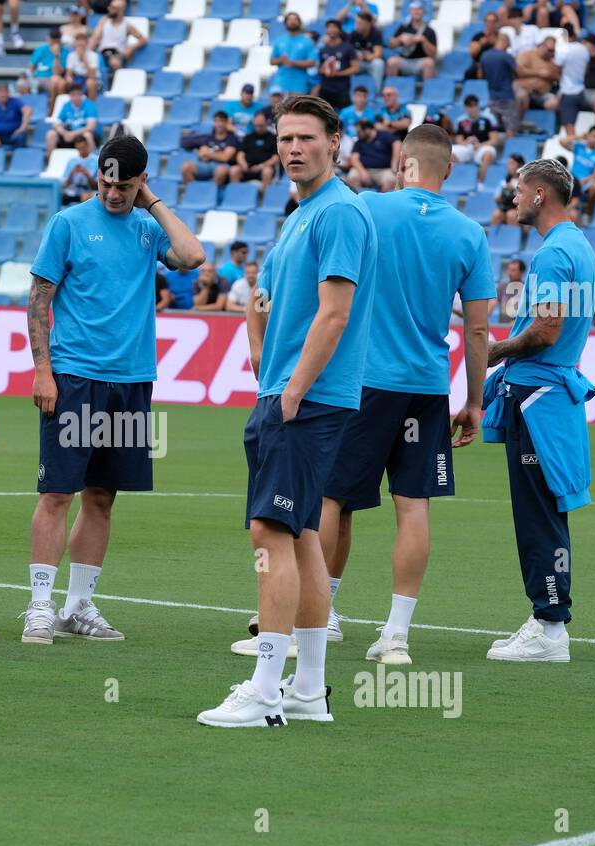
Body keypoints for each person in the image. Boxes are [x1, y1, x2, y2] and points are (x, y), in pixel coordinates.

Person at [199, 95, 377, 726]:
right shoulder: (300, 216)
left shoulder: (340, 215)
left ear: (336, 142)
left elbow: (336, 312)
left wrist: (294, 388)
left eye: (306, 137)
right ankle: (306, 690)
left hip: (308, 400)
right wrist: (264, 362)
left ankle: (265, 690)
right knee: (299, 533)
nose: (293, 148)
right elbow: (264, 302)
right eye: (285, 139)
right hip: (284, 393)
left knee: (269, 533)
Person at [310, 122, 494, 667]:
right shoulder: (469, 233)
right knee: (413, 507)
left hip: (363, 381)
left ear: (402, 159)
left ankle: (317, 617)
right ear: (450, 170)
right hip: (427, 387)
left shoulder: (367, 208)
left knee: (330, 500)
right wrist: (475, 401)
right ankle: (395, 635)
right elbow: (479, 331)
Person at [22, 135, 204, 645]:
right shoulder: (69, 223)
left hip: (132, 381)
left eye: (123, 185)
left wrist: (152, 202)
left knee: (102, 496)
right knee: (57, 492)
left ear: (141, 182)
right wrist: (43, 370)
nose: (112, 193)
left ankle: (79, 605)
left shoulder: (148, 229)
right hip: (76, 376)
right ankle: (39, 605)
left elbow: (192, 256)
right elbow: (39, 299)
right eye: (105, 182)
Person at [482, 157, 595, 663]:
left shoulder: (554, 255)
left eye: (518, 189)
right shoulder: (579, 246)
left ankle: (550, 627)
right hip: (549, 395)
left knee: (537, 516)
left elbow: (546, 331)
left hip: (537, 398)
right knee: (544, 513)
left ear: (539, 195)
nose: (512, 198)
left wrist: (493, 351)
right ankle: (546, 618)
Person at [180, 110, 240, 186]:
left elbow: (225, 157)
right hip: (205, 165)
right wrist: (202, 152)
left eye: (221, 121)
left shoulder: (232, 139)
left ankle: (210, 194)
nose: (219, 124)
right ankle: (194, 192)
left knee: (221, 171)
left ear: (226, 123)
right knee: (185, 167)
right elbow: (186, 143)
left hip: (222, 165)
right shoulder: (208, 137)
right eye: (216, 121)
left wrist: (208, 153)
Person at [552, 24, 589, 137]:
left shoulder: (564, 50)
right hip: (581, 91)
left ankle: (575, 147)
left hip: (568, 92)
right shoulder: (584, 49)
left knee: (569, 129)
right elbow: (587, 70)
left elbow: (555, 69)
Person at [453, 94, 500, 182]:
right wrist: (467, 142)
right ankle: (462, 179)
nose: (474, 108)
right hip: (467, 147)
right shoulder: (460, 120)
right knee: (449, 153)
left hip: (482, 147)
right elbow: (458, 139)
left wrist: (480, 145)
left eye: (475, 105)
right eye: (470, 106)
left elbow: (494, 140)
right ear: (466, 108)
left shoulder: (488, 118)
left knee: (488, 154)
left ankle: (480, 182)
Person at [229, 109, 279, 190]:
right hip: (247, 168)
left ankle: (264, 199)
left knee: (267, 171)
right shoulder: (248, 137)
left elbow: (276, 158)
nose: (258, 128)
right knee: (234, 170)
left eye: (261, 125)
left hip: (263, 168)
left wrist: (261, 166)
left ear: (266, 123)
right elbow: (240, 154)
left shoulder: (273, 138)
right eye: (256, 126)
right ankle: (236, 198)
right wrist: (243, 164)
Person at [386, 1, 436, 80]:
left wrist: (423, 41)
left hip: (420, 62)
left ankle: (427, 90)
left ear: (424, 12)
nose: (416, 11)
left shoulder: (429, 31)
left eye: (419, 9)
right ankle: (391, 88)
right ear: (410, 11)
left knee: (429, 63)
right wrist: (400, 38)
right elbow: (391, 45)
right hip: (404, 60)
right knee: (392, 62)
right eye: (414, 9)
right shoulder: (403, 28)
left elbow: (433, 54)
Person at [89, 0, 144, 73]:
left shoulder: (127, 25)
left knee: (115, 62)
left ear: (120, 10)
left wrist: (131, 47)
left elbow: (143, 39)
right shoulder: (104, 21)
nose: (109, 9)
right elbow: (94, 38)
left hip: (117, 54)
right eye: (110, 7)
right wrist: (88, 52)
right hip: (102, 53)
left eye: (113, 7)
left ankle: (121, 80)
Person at [481, 32, 519, 133]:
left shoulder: (485, 55)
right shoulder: (506, 56)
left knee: (493, 129)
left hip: (492, 96)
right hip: (506, 96)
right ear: (504, 42)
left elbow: (480, 74)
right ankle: (511, 147)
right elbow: (518, 72)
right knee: (510, 127)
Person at [564, 125, 595, 220]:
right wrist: (578, 137)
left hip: (586, 182)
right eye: (594, 136)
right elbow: (562, 141)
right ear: (588, 135)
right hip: (571, 179)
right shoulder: (579, 147)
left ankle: (587, 213)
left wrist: (584, 180)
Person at [270, 12, 317, 95]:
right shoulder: (279, 40)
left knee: (297, 107)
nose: (292, 21)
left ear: (299, 22)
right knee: (280, 107)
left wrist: (293, 63)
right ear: (285, 23)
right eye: (289, 19)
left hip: (299, 84)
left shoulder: (307, 41)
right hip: (281, 83)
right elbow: (272, 61)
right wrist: (281, 60)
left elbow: (312, 62)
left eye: (295, 19)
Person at [346, 118, 398, 192]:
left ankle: (381, 202)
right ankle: (357, 202)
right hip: (364, 169)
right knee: (352, 178)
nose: (357, 134)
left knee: (391, 181)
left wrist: (394, 163)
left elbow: (397, 143)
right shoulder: (359, 141)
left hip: (384, 170)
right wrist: (362, 172)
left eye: (359, 131)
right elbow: (354, 159)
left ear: (367, 129)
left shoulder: (383, 135)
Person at [316, 17, 358, 108]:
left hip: (342, 88)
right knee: (325, 117)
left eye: (334, 27)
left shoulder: (348, 48)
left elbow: (355, 68)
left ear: (339, 30)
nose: (331, 29)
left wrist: (338, 73)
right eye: (329, 27)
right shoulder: (323, 49)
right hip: (325, 89)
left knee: (342, 118)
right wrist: (324, 70)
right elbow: (318, 68)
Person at [46, 83, 98, 154]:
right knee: (51, 134)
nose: (76, 97)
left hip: (81, 134)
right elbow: (55, 124)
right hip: (68, 135)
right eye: (73, 95)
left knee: (88, 135)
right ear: (70, 96)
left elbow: (91, 127)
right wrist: (64, 133)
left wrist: (73, 134)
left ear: (82, 94)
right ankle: (50, 160)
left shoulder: (89, 105)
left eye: (78, 94)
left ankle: (92, 160)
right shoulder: (66, 105)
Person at [515, 35, 559, 117]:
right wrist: (538, 73)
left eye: (553, 51)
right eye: (549, 50)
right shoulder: (527, 55)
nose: (551, 53)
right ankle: (517, 125)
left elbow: (557, 76)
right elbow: (519, 71)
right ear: (542, 45)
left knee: (555, 103)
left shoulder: (552, 61)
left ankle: (549, 127)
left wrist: (550, 72)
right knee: (521, 96)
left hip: (542, 93)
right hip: (525, 89)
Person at [29, 29, 66, 111]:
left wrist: (56, 56)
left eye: (57, 39)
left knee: (57, 82)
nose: (55, 41)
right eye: (53, 38)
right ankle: (54, 112)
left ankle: (54, 112)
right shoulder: (41, 50)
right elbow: (31, 68)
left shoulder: (64, 52)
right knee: (56, 82)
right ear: (49, 38)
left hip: (55, 80)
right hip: (40, 79)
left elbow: (57, 72)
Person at [348, 10, 385, 90]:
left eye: (360, 23)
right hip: (358, 63)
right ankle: (348, 91)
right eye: (356, 23)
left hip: (370, 63)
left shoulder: (376, 33)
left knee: (379, 63)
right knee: (347, 62)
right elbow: (348, 53)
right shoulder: (353, 34)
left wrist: (364, 56)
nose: (357, 25)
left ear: (368, 24)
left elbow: (378, 54)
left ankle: (376, 91)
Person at [60, 134, 98, 204]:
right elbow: (65, 185)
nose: (81, 151)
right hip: (72, 192)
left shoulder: (96, 161)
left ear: (87, 146)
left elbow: (97, 186)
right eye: (79, 148)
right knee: (59, 196)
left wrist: (87, 175)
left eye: (83, 147)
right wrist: (71, 174)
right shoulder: (72, 161)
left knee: (88, 197)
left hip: (88, 192)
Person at [65, 32, 102, 99]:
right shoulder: (71, 56)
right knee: (66, 83)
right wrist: (69, 79)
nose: (80, 44)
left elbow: (92, 75)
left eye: (82, 42)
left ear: (86, 43)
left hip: (93, 79)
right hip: (77, 78)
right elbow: (68, 74)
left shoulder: (94, 55)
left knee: (90, 82)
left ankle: (91, 106)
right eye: (78, 42)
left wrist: (84, 59)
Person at [491, 152, 524, 226]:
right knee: (496, 214)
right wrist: (503, 192)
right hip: (505, 207)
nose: (509, 166)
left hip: (518, 208)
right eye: (508, 163)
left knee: (511, 215)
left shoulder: (525, 181)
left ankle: (514, 237)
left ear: (520, 165)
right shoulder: (504, 182)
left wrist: (513, 190)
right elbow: (496, 198)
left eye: (512, 163)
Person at [466, 11, 501, 80]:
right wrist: (480, 44)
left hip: (496, 65)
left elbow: (503, 52)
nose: (490, 24)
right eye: (488, 21)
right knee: (469, 73)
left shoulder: (500, 36)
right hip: (479, 64)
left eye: (493, 22)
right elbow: (472, 53)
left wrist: (495, 42)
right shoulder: (478, 36)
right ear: (485, 22)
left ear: (497, 23)